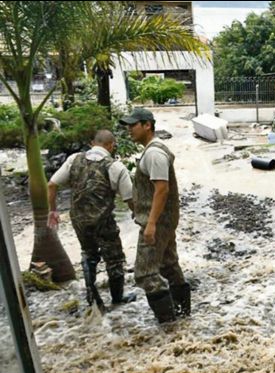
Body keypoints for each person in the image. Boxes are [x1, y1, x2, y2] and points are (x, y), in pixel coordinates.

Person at [47, 130, 136, 309]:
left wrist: (53, 211)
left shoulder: (74, 160)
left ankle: (92, 297)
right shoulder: (115, 167)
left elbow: (52, 184)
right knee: (114, 259)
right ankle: (117, 299)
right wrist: (137, 214)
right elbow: (129, 198)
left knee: (89, 253)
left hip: (78, 219)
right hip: (103, 222)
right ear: (111, 145)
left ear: (91, 143)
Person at [120, 108, 190, 323]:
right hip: (164, 221)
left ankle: (169, 323)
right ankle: (183, 316)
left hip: (157, 222)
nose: (129, 129)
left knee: (146, 273)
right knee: (168, 264)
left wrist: (150, 224)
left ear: (147, 125)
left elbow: (162, 189)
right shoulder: (152, 151)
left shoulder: (154, 153)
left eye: (133, 125)